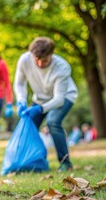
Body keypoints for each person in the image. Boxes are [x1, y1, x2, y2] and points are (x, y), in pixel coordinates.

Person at [14, 36, 78, 172]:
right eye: (36, 59)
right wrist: (21, 100)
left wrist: (40, 109)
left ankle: (65, 162)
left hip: (65, 96)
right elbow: (19, 83)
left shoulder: (62, 67)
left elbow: (59, 99)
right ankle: (27, 162)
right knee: (27, 124)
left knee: (53, 122)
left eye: (44, 60)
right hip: (40, 97)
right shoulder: (25, 60)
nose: (39, 64)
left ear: (51, 55)